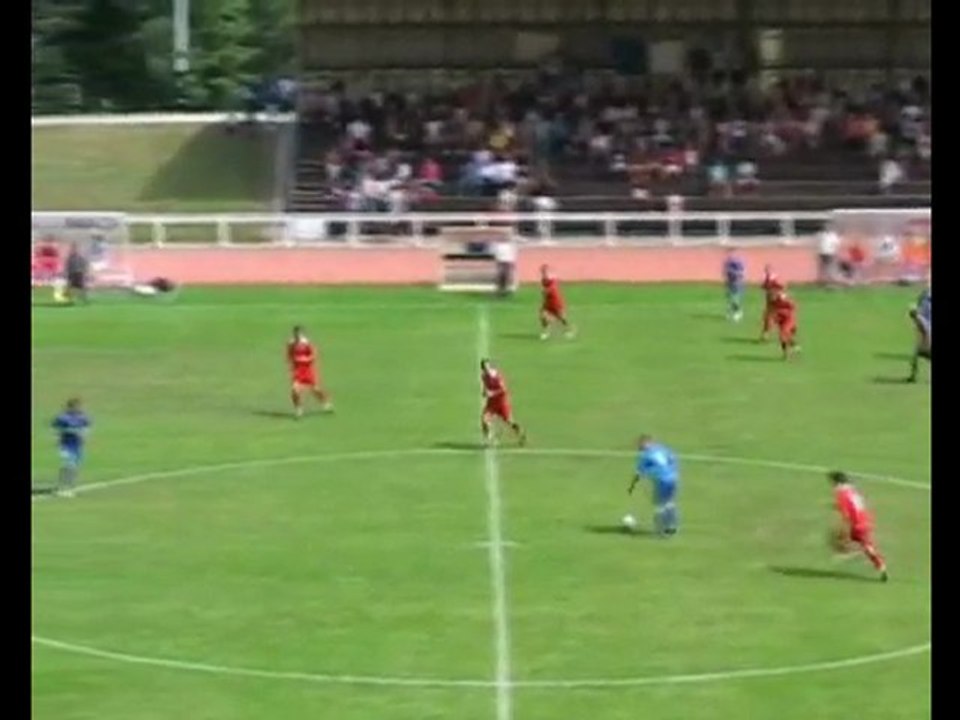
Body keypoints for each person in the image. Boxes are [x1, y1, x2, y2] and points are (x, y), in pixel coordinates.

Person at [828, 471, 888, 582]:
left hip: (856, 524)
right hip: (864, 520)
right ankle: (878, 563)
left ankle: (856, 552)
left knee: (840, 539)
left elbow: (846, 514)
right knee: (863, 543)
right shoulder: (853, 491)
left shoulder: (841, 494)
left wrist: (843, 527)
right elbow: (855, 505)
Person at [628, 435, 680, 536]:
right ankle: (672, 526)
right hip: (673, 479)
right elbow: (673, 459)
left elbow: (639, 472)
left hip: (662, 481)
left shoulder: (645, 455)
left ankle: (661, 529)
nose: (639, 448)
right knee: (669, 503)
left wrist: (632, 486)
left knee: (660, 505)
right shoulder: (663, 449)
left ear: (645, 444)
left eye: (640, 445)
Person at [286, 326, 333, 418]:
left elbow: (313, 356)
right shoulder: (291, 343)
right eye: (295, 334)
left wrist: (304, 359)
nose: (297, 336)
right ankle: (298, 409)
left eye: (299, 334)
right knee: (295, 390)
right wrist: (293, 362)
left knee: (315, 389)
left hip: (307, 369)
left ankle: (326, 403)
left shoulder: (307, 343)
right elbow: (289, 355)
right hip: (297, 371)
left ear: (302, 334)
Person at [51, 398, 91, 498]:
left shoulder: (83, 417)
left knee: (74, 467)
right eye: (76, 407)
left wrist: (84, 435)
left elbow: (86, 428)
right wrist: (60, 435)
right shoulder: (63, 418)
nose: (78, 408)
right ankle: (61, 487)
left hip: (77, 446)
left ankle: (69, 487)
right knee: (68, 465)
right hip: (66, 445)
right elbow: (55, 428)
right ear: (70, 407)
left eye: (79, 406)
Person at [480, 359, 526, 446]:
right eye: (484, 368)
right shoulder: (484, 376)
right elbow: (485, 386)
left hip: (502, 402)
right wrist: (484, 391)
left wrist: (491, 393)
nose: (486, 369)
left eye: (487, 367)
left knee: (509, 421)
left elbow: (503, 390)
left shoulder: (497, 376)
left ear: (490, 366)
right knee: (484, 419)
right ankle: (488, 440)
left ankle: (520, 435)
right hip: (492, 403)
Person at [539, 265, 574, 339]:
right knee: (543, 316)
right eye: (542, 272)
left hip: (556, 302)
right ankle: (546, 332)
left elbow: (551, 288)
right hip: (548, 302)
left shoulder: (553, 280)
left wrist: (545, 291)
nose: (544, 274)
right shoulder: (543, 280)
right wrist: (544, 300)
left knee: (561, 318)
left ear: (548, 272)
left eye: (545, 272)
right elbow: (544, 292)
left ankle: (569, 329)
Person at [907, 283, 931, 383]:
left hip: (927, 342)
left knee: (917, 357)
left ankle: (913, 376)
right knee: (915, 358)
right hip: (925, 341)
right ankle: (913, 376)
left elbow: (925, 331)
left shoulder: (920, 319)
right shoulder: (920, 317)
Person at [771, 290, 800, 360]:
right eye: (778, 296)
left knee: (783, 335)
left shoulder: (789, 303)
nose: (779, 298)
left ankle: (791, 349)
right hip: (781, 321)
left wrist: (783, 313)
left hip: (788, 320)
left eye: (781, 297)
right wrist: (775, 320)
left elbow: (793, 311)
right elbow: (773, 311)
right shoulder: (774, 302)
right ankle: (791, 348)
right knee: (783, 337)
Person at [759, 265, 784, 342]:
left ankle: (782, 333)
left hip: (776, 300)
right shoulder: (768, 278)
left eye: (768, 270)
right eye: (766, 270)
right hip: (770, 300)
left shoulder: (774, 278)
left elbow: (781, 287)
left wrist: (777, 293)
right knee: (767, 317)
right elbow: (764, 286)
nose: (767, 272)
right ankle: (766, 334)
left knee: (772, 317)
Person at [722, 248, 745, 322]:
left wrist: (734, 273)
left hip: (737, 282)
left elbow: (741, 273)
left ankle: (737, 313)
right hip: (730, 282)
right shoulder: (726, 262)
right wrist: (726, 280)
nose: (729, 255)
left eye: (731, 254)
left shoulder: (738, 262)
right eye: (728, 254)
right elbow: (724, 272)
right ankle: (734, 312)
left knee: (735, 298)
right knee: (730, 299)